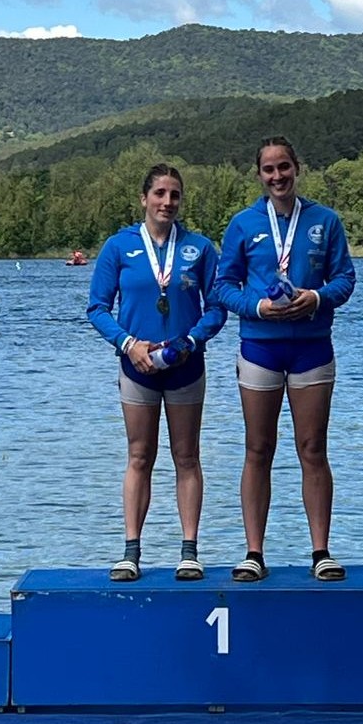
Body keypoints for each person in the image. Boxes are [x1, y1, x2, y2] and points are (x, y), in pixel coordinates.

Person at [214, 137, 357, 581]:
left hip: (311, 346)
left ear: (297, 168)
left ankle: (321, 552)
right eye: (269, 169)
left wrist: (315, 297)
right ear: (258, 174)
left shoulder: (325, 220)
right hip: (260, 345)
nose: (278, 176)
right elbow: (223, 286)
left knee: (312, 448)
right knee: (259, 449)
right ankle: (254, 553)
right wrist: (258, 308)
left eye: (284, 167)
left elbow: (346, 279)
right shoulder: (242, 224)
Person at [87, 164, 227, 581]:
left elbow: (218, 306)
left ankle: (189, 551)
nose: (167, 202)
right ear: (144, 198)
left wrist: (192, 340)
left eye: (175, 195)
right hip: (137, 367)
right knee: (139, 456)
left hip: (186, 366)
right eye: (160, 194)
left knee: (187, 457)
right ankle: (131, 551)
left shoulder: (200, 248)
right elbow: (97, 307)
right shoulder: (119, 246)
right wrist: (128, 343)